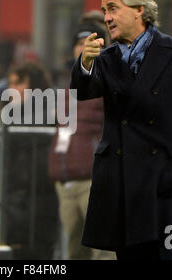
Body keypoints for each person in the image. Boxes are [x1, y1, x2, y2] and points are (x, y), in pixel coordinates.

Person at [70, 0, 172, 260]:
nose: (106, 18)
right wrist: (84, 64)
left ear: (139, 9)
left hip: (163, 186)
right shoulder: (106, 57)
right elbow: (83, 92)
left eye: (112, 8)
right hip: (122, 188)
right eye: (104, 11)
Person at [48, 20, 115, 260]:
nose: (84, 47)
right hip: (66, 179)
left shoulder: (111, 80)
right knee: (75, 252)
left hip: (95, 178)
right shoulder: (68, 83)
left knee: (104, 252)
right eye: (79, 43)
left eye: (92, 42)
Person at [4, 62, 59, 259]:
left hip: (41, 198)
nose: (13, 90)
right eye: (11, 84)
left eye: (19, 84)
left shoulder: (49, 111)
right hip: (14, 197)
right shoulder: (8, 114)